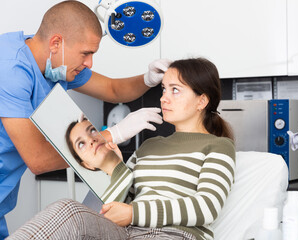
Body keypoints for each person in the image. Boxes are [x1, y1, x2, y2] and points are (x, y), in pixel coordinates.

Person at [7, 57, 236, 240]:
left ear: (201, 101)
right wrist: (115, 167)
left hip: (175, 234)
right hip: (127, 233)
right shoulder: (150, 145)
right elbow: (119, 203)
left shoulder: (218, 146)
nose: (164, 98)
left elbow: (207, 206)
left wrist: (134, 213)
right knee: (69, 210)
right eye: (164, 89)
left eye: (175, 90)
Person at [0, 1, 169, 238]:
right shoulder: (10, 70)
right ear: (56, 42)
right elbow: (38, 159)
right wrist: (112, 135)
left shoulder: (54, 65)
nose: (89, 63)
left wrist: (148, 79)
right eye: (86, 53)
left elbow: (112, 89)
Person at [65, 118, 133, 203]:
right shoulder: (109, 201)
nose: (90, 139)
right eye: (81, 144)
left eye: (92, 130)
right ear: (87, 165)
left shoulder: (140, 155)